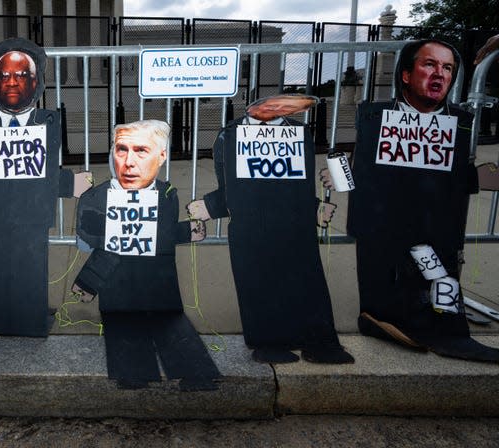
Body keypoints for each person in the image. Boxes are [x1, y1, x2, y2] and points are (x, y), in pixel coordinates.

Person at [336, 39, 499, 361]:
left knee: (438, 275)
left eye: (447, 68)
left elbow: (460, 176)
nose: (439, 74)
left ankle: (448, 331)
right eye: (430, 65)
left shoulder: (457, 121)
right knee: (395, 274)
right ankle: (381, 319)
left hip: (435, 224)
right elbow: (361, 174)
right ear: (406, 75)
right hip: (384, 222)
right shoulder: (378, 118)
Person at [187, 94, 353, 364]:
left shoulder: (299, 132)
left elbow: (300, 182)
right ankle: (267, 341)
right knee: (256, 280)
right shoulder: (229, 135)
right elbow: (228, 184)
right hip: (250, 221)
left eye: (286, 105)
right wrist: (211, 205)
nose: (279, 109)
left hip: (294, 221)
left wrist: (314, 208)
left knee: (307, 278)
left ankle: (319, 340)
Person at [71, 120, 219, 390]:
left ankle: (194, 372)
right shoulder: (96, 197)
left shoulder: (166, 194)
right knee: (122, 324)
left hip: (157, 277)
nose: (128, 162)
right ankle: (133, 374)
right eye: (121, 149)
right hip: (115, 281)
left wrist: (186, 232)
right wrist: (90, 280)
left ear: (161, 156)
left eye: (141, 150)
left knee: (168, 321)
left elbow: (160, 235)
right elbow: (91, 239)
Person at [0, 37, 91, 337]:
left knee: (28, 268)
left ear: (36, 82)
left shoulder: (46, 123)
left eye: (21, 75)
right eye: (4, 74)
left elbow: (41, 171)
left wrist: (69, 183)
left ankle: (27, 320)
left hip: (32, 214)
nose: (12, 82)